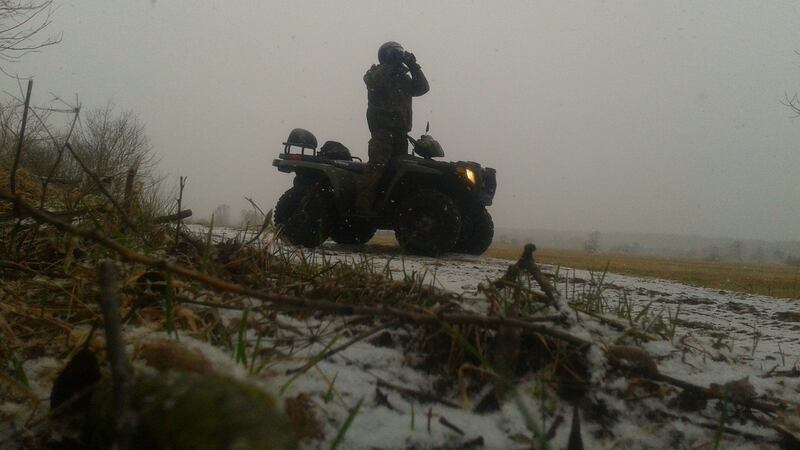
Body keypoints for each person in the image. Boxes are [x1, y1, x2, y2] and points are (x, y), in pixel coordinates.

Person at [355, 41, 429, 215]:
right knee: (376, 169)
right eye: (396, 53)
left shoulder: (403, 78)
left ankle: (389, 208)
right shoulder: (375, 74)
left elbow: (423, 88)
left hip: (400, 135)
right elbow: (374, 82)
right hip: (382, 133)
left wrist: (414, 67)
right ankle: (361, 208)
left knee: (397, 175)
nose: (399, 56)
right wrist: (391, 65)